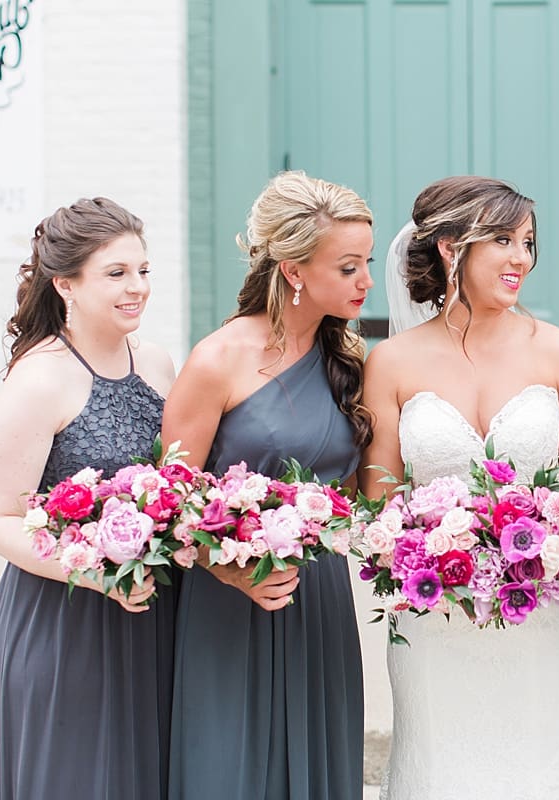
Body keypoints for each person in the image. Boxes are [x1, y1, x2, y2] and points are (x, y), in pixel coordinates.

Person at [361, 176, 559, 799]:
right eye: (503, 240)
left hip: (544, 613)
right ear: (450, 248)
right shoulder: (390, 362)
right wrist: (435, 552)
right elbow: (380, 500)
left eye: (528, 242)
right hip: (434, 617)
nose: (521, 257)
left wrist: (529, 550)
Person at [162, 171, 374, 800]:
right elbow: (168, 499)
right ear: (293, 270)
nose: (366, 281)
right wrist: (228, 569)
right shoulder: (217, 361)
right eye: (348, 267)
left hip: (319, 596)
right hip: (230, 599)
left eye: (366, 263)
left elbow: (358, 492)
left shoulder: (348, 361)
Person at [0, 198, 177, 800]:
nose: (137, 287)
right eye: (116, 273)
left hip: (151, 613)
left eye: (143, 270)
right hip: (64, 618)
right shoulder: (39, 378)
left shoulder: (157, 362)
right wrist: (93, 574)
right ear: (65, 284)